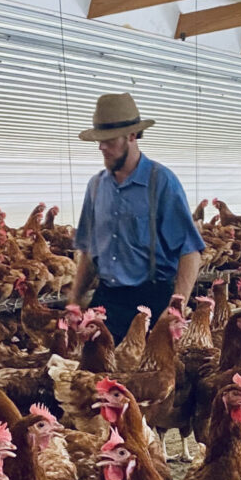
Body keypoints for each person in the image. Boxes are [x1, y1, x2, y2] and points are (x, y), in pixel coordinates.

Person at [70, 92, 206, 344]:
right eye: (99, 140)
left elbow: (190, 251)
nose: (101, 147)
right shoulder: (96, 187)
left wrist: (177, 305)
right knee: (92, 379)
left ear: (132, 136)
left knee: (147, 380)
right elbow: (88, 251)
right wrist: (75, 300)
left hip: (151, 301)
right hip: (107, 300)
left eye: (108, 140)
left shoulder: (161, 182)